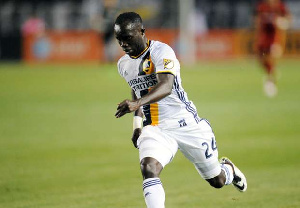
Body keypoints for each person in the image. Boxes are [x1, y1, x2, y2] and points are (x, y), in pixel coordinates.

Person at [114, 12, 247, 208]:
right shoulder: (123, 64)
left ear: (142, 31)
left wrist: (137, 104)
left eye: (127, 37)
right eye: (119, 39)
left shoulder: (162, 51)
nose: (123, 44)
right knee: (148, 167)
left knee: (216, 180)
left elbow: (166, 86)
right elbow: (137, 88)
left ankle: (229, 170)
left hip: (185, 123)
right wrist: (137, 124)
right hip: (156, 128)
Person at [254, 0, 291, 97]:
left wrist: (282, 22)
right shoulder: (262, 6)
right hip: (263, 36)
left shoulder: (279, 6)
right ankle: (271, 71)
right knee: (260, 58)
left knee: (272, 55)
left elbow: (288, 19)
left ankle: (270, 80)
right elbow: (257, 20)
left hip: (275, 36)